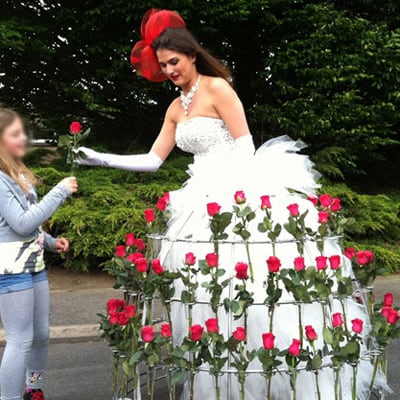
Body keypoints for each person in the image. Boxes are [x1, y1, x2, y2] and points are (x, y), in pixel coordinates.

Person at [78, 9, 381, 400]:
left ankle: (276, 371)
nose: (170, 69)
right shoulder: (175, 108)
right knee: (203, 289)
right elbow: (154, 160)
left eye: (175, 61)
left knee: (255, 286)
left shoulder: (218, 88)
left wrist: (228, 196)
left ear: (190, 55)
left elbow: (245, 146)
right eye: (164, 64)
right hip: (197, 196)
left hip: (234, 191)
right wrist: (101, 157)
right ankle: (226, 377)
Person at [0, 108, 78, 400]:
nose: (24, 138)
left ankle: (33, 389)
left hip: (33, 265)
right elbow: (21, 225)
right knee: (20, 340)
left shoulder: (18, 173)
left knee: (41, 334)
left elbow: (29, 228)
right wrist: (58, 192)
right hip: (10, 269)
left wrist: (50, 242)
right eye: (15, 133)